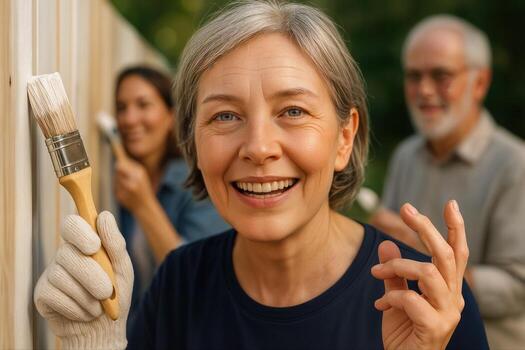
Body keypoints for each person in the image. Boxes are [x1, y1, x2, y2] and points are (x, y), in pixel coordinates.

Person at [33, 2, 489, 349]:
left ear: (345, 138)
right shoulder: (179, 284)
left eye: (293, 111)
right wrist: (93, 343)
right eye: (225, 116)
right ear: (193, 139)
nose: (258, 147)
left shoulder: (428, 304)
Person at [371, 15, 525, 349]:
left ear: (480, 83)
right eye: (414, 76)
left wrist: (435, 264)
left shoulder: (516, 164)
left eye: (441, 75)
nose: (424, 90)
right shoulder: (406, 155)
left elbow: (519, 284)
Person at [113, 66, 230, 318]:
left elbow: (197, 278)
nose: (130, 119)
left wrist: (144, 204)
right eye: (122, 108)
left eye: (143, 105)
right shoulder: (121, 181)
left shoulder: (196, 182)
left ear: (170, 117)